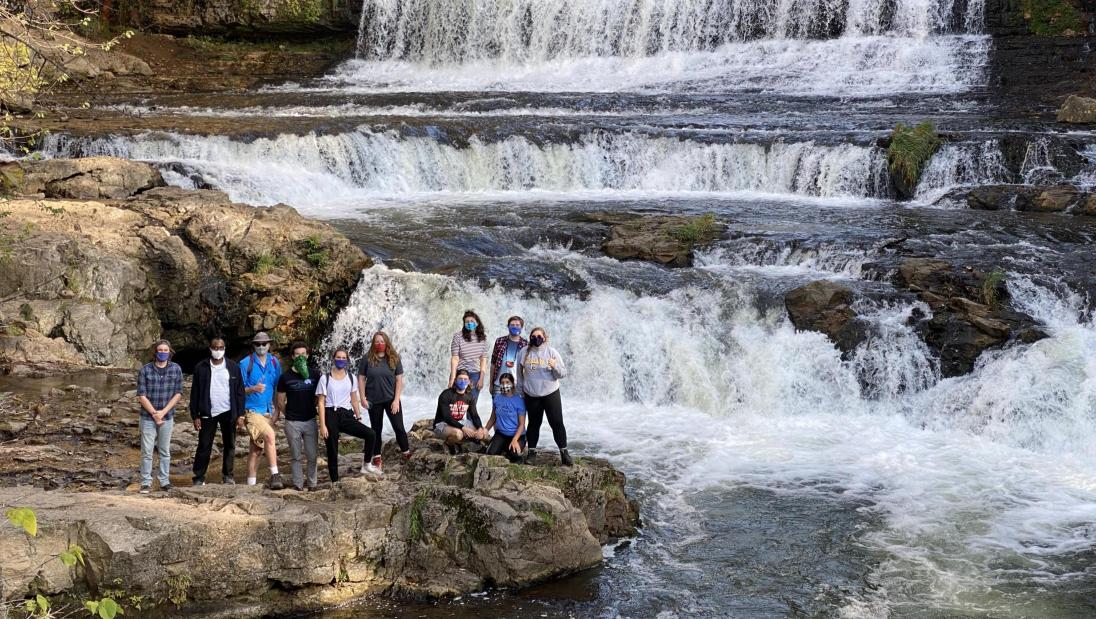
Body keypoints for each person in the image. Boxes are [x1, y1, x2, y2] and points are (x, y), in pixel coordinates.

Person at [189, 337, 244, 486]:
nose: (218, 351)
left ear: (225, 349)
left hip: (228, 411)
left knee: (230, 445)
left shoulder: (233, 367)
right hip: (208, 411)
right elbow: (195, 393)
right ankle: (199, 477)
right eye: (215, 348)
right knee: (204, 445)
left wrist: (240, 414)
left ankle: (228, 476)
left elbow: (240, 392)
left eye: (221, 348)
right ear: (210, 348)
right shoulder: (201, 367)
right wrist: (195, 416)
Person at [516, 327, 572, 466]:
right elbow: (519, 374)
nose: (536, 338)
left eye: (539, 336)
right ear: (530, 338)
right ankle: (532, 453)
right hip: (531, 394)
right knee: (534, 424)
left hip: (550, 393)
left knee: (557, 423)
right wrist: (521, 391)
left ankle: (564, 452)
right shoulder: (524, 352)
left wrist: (554, 367)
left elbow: (563, 373)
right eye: (533, 336)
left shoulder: (551, 352)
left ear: (544, 337)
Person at [318, 347, 375, 483]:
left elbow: (354, 399)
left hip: (346, 415)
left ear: (347, 360)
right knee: (332, 449)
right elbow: (321, 403)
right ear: (334, 358)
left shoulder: (351, 377)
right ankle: (335, 482)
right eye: (338, 357)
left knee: (371, 434)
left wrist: (358, 416)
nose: (341, 360)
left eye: (344, 358)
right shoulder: (325, 378)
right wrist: (323, 425)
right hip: (330, 413)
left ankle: (366, 464)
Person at [357, 331, 410, 474]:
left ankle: (406, 454)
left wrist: (396, 400)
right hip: (373, 401)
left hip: (391, 399)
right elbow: (361, 378)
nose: (379, 344)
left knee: (399, 427)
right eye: (376, 341)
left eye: (382, 341)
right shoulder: (367, 359)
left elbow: (399, 380)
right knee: (376, 429)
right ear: (373, 343)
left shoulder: (394, 358)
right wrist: (362, 397)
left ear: (386, 342)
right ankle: (377, 458)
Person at [136, 339, 183, 493]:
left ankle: (164, 480)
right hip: (148, 417)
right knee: (147, 451)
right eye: (160, 350)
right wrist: (155, 414)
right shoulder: (145, 370)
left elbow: (178, 393)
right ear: (155, 352)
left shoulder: (176, 369)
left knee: (164, 450)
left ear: (170, 352)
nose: (163, 352)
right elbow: (141, 395)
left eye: (165, 350)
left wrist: (162, 412)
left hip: (167, 416)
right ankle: (146, 482)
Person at [239, 331, 285, 490]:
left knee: (256, 450)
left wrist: (277, 410)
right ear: (253, 345)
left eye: (264, 344)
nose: (261, 347)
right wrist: (252, 389)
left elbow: (278, 388)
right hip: (251, 411)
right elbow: (237, 390)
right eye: (258, 344)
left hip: (267, 411)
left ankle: (250, 485)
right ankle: (275, 475)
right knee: (270, 436)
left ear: (269, 345)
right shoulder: (246, 363)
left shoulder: (274, 362)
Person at [277, 341, 320, 491]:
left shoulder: (315, 374)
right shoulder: (285, 377)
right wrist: (288, 414)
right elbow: (280, 400)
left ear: (307, 355)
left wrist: (312, 407)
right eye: (297, 354)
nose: (300, 356)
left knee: (312, 455)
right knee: (295, 456)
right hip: (292, 422)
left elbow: (319, 397)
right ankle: (298, 484)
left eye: (303, 354)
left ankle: (313, 484)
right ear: (292, 356)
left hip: (310, 420)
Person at [433, 368, 486, 454]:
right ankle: (449, 444)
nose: (463, 381)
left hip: (460, 422)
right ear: (455, 380)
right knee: (459, 434)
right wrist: (463, 428)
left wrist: (479, 428)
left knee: (484, 433)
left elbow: (474, 415)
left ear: (469, 381)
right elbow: (447, 417)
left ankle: (460, 443)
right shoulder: (446, 394)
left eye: (465, 379)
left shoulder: (470, 397)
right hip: (442, 424)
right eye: (460, 379)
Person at [484, 372, 526, 463]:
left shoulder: (519, 400)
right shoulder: (497, 398)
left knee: (514, 455)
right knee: (491, 454)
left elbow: (522, 425)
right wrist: (485, 430)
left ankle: (513, 448)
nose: (504, 385)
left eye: (507, 382)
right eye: (502, 382)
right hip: (501, 434)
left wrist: (515, 440)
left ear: (512, 384)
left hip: (517, 435)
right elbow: (492, 418)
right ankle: (503, 446)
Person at [449, 309, 489, 400]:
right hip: (460, 373)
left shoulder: (483, 338)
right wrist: (452, 378)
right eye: (467, 322)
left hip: (475, 375)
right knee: (456, 405)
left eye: (472, 321)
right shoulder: (458, 336)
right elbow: (455, 358)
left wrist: (481, 379)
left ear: (477, 323)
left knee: (472, 405)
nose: (469, 323)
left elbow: (483, 360)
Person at [490, 315, 527, 395]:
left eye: (517, 325)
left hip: (517, 386)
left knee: (515, 407)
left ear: (521, 327)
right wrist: (491, 384)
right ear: (508, 326)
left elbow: (527, 368)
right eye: (512, 325)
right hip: (498, 384)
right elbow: (493, 364)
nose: (515, 327)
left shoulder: (526, 345)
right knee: (497, 407)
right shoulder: (499, 341)